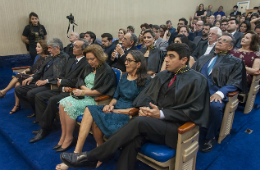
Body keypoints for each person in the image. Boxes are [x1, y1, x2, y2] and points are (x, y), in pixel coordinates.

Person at [60, 43, 210, 170]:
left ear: (184, 60)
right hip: (153, 123)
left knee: (137, 122)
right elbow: (145, 98)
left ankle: (91, 156)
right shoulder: (162, 76)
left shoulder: (198, 80)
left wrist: (162, 114)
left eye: (171, 56)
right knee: (133, 139)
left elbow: (195, 112)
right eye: (167, 56)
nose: (166, 59)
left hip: (175, 128)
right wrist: (147, 109)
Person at [56, 50, 150, 170]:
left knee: (96, 117)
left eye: (129, 60)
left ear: (138, 64)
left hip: (128, 114)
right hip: (115, 108)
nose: (125, 62)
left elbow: (138, 108)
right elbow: (116, 96)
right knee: (90, 109)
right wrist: (110, 105)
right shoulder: (125, 76)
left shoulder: (146, 81)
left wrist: (115, 111)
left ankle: (97, 153)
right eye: (125, 59)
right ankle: (77, 153)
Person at [55, 45, 117, 153]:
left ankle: (69, 138)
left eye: (92, 59)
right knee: (62, 103)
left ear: (99, 56)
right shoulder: (89, 67)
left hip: (96, 100)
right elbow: (80, 80)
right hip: (84, 95)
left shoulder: (107, 70)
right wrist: (84, 90)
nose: (89, 62)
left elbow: (101, 91)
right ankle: (64, 135)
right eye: (88, 59)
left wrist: (83, 91)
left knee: (69, 105)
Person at [192, 33, 246, 152]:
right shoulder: (204, 57)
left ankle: (210, 136)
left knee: (215, 106)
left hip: (215, 92)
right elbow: (191, 74)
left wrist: (221, 93)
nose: (220, 41)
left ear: (230, 47)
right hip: (197, 90)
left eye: (224, 41)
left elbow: (235, 81)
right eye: (219, 39)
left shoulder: (236, 62)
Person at [29, 39, 89, 143]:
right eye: (73, 46)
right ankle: (48, 124)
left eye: (76, 47)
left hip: (72, 91)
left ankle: (44, 129)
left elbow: (78, 80)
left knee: (53, 100)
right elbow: (62, 74)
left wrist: (62, 82)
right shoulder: (71, 60)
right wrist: (60, 81)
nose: (73, 48)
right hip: (62, 88)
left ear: (83, 50)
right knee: (39, 96)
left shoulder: (86, 63)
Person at [15, 38, 69, 118]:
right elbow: (40, 71)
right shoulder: (50, 57)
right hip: (41, 81)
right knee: (19, 89)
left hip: (51, 84)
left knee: (31, 94)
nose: (48, 50)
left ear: (57, 48)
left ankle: (41, 116)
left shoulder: (64, 57)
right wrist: (32, 78)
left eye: (50, 48)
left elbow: (59, 76)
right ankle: (37, 111)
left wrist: (45, 81)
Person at [0, 40, 48, 114]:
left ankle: (4, 91)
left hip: (37, 78)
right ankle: (17, 105)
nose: (36, 48)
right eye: (36, 46)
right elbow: (32, 68)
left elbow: (41, 73)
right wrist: (25, 71)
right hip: (31, 76)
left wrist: (28, 75)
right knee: (17, 84)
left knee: (19, 75)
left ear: (44, 48)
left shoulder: (47, 59)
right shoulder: (39, 57)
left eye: (38, 47)